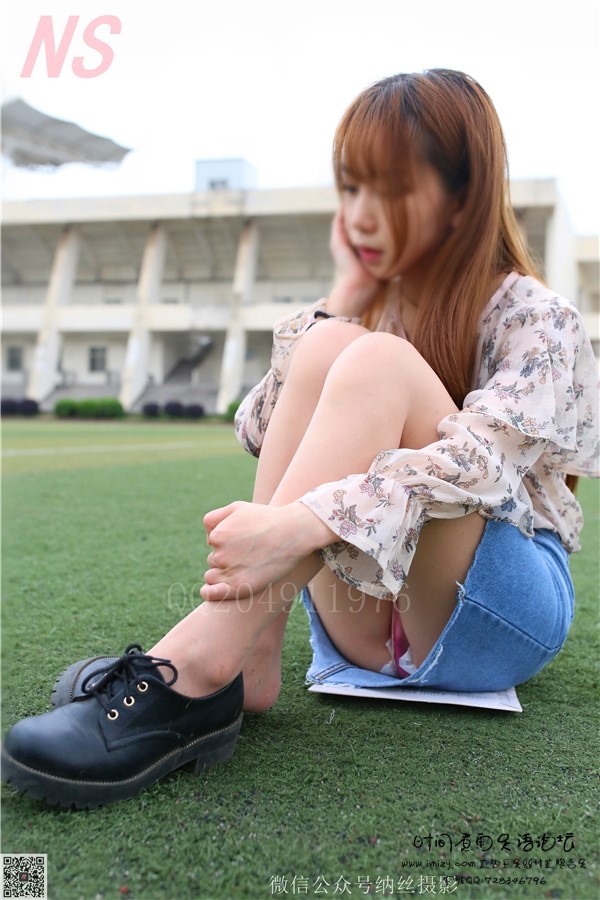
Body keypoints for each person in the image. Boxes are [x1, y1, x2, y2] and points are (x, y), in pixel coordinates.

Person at [2, 69, 598, 810]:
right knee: (333, 346)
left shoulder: (539, 318)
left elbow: (483, 468)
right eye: (357, 183)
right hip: (369, 621)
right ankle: (252, 650)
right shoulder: (375, 309)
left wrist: (302, 525)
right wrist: (340, 308)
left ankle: (204, 655)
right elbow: (257, 427)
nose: (368, 208)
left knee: (377, 362)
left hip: (497, 608)